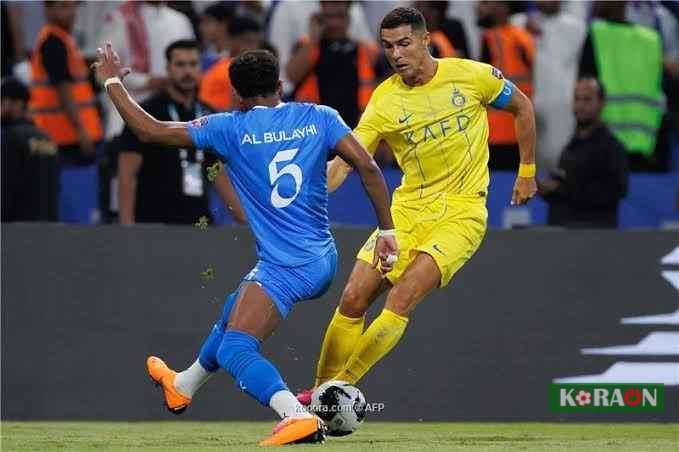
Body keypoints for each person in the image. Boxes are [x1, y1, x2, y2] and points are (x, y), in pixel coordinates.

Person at [92, 44, 398, 445]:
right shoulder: (320, 116)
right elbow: (369, 167)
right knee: (232, 310)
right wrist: (387, 231)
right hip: (322, 256)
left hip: (287, 266)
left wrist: (112, 81)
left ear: (236, 95)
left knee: (237, 349)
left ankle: (295, 415)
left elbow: (149, 130)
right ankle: (183, 385)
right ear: (281, 84)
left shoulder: (228, 127)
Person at [296, 7, 536, 401]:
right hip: (406, 213)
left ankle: (339, 388)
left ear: (426, 41)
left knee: (402, 294)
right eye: (388, 46)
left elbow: (522, 106)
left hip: (462, 213)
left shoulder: (471, 76)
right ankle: (319, 392)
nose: (396, 54)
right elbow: (346, 162)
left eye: (404, 43)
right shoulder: (385, 99)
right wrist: (308, 196)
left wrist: (527, 170)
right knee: (354, 296)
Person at [117, 40, 244, 225]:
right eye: (180, 65)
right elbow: (127, 175)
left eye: (193, 64)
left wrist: (245, 221)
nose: (187, 72)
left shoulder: (209, 115)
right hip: (153, 224)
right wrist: (126, 228)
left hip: (199, 224)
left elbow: (218, 172)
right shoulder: (144, 114)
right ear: (168, 68)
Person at [29, 0, 104, 223]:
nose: (69, 13)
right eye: (62, 6)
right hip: (65, 138)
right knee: (72, 205)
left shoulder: (63, 39)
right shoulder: (53, 41)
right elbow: (64, 92)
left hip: (67, 136)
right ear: (48, 10)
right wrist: (81, 131)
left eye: (71, 6)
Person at [578, 1, 664, 171]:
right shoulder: (652, 40)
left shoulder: (597, 34)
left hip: (606, 151)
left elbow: (583, 91)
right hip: (647, 149)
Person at [539, 78, 628, 228]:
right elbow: (563, 189)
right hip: (562, 236)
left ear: (601, 103)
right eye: (577, 99)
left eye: (587, 100)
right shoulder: (570, 147)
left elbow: (616, 190)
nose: (580, 106)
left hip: (594, 238)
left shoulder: (612, 148)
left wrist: (563, 189)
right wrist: (546, 190)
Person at [512, 0, 586, 171]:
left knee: (557, 160)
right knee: (523, 163)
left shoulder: (576, 28)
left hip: (561, 108)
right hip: (524, 102)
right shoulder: (518, 24)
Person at [286, 1, 378, 128]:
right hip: (315, 128)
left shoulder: (364, 51)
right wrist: (313, 38)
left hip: (354, 128)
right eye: (329, 17)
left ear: (348, 19)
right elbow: (292, 75)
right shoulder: (307, 46)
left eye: (339, 16)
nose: (334, 23)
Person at [478, 0, 535, 170]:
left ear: (503, 7)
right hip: (518, 129)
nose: (482, 8)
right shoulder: (524, 37)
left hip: (497, 131)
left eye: (487, 3)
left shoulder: (492, 37)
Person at [2, 77, 59, 222]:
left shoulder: (11, 138)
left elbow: (6, 187)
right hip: (47, 226)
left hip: (17, 229)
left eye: (2, 102)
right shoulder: (47, 138)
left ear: (17, 103)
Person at [199, 15, 265, 112]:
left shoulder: (254, 68)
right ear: (231, 40)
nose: (254, 47)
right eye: (248, 41)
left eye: (257, 42)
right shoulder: (223, 71)